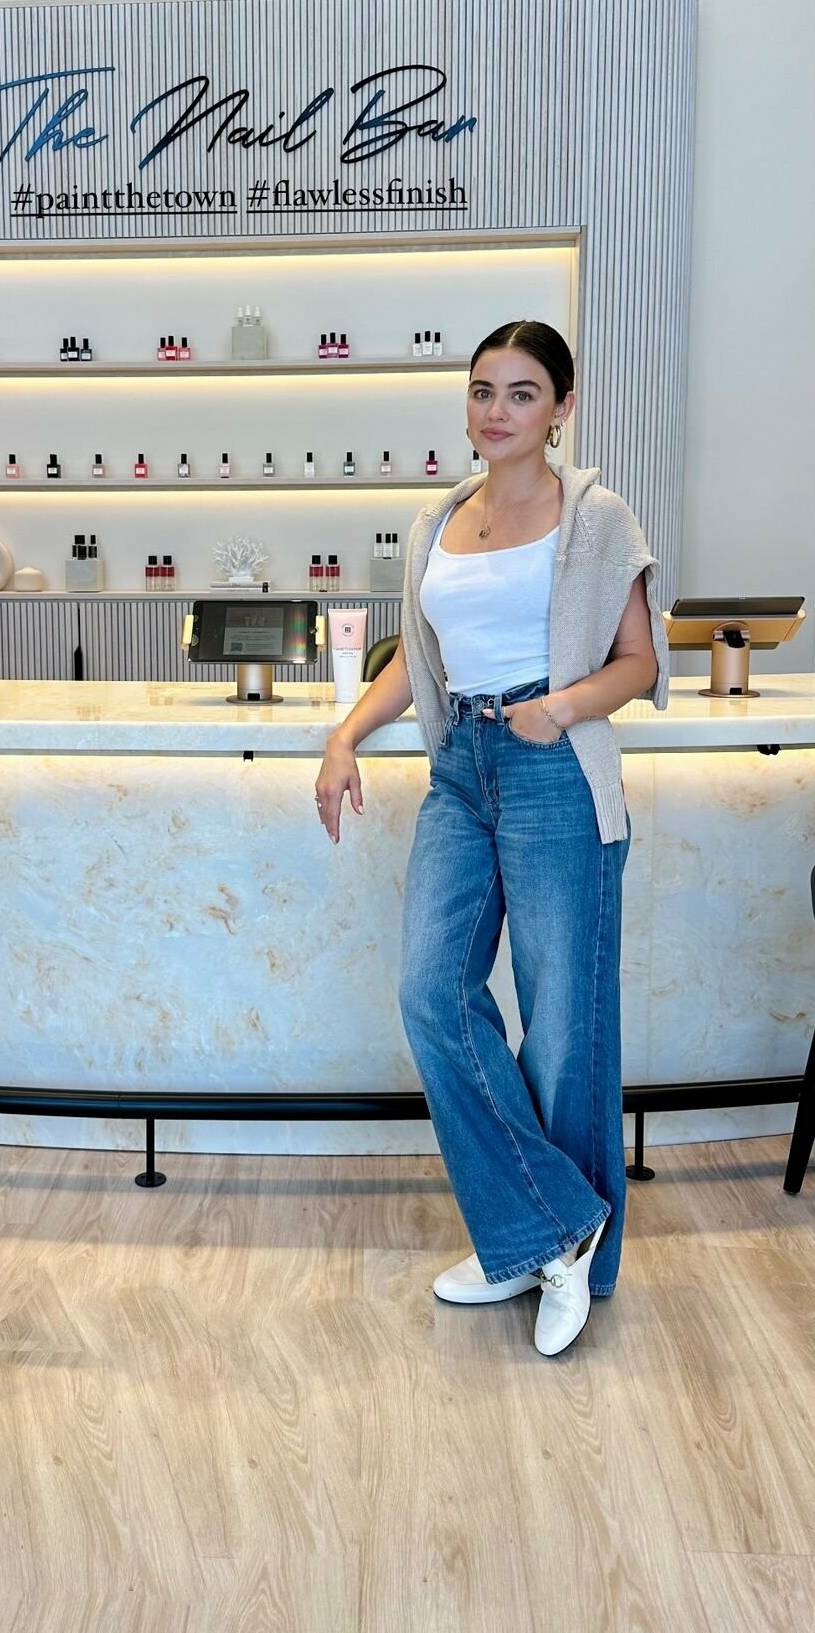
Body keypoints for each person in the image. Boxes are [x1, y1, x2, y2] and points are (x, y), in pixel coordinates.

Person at [313, 320, 670, 1357]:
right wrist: (344, 736)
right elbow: (419, 659)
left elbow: (639, 660)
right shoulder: (438, 520)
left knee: (563, 1023)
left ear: (562, 407)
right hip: (461, 769)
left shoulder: (596, 518)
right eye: (482, 391)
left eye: (522, 393)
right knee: (432, 991)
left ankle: (553, 1251)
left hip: (554, 765)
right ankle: (547, 1227)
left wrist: (560, 708)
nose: (497, 410)